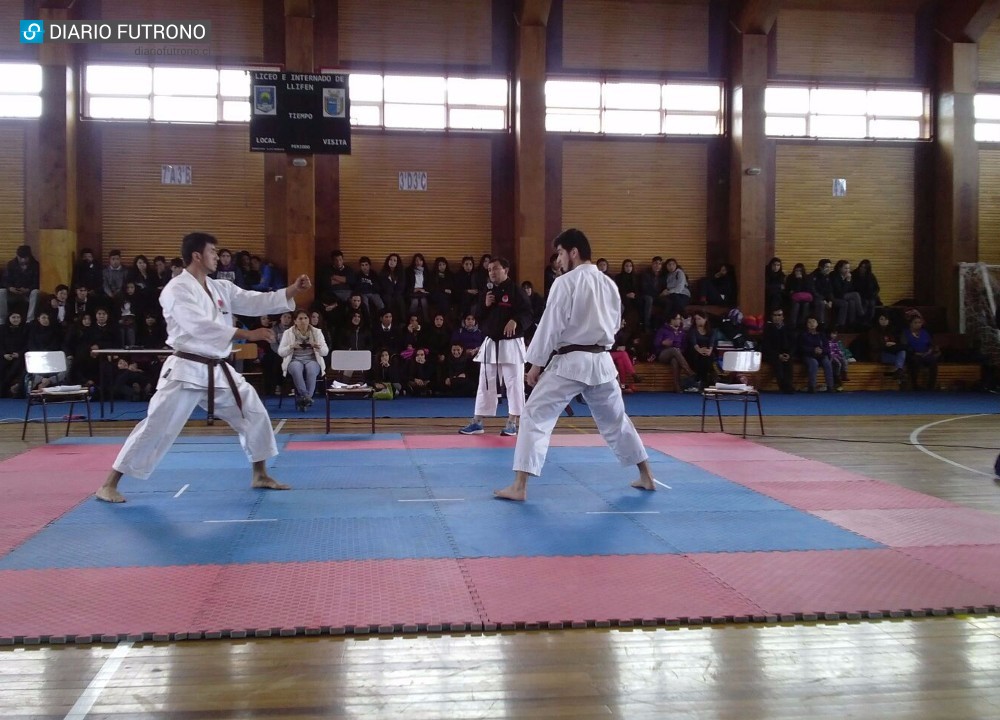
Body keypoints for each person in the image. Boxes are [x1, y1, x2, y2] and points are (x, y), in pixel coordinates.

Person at [95, 232, 312, 503]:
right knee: (157, 426)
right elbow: (199, 326)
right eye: (212, 252)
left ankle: (260, 473)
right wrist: (248, 335)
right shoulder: (176, 289)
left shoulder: (220, 287)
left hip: (218, 370)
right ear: (197, 255)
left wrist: (292, 290)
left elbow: (254, 300)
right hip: (186, 368)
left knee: (253, 411)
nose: (217, 257)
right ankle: (109, 484)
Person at [494, 229, 656, 502]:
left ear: (573, 252)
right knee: (616, 420)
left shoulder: (566, 283)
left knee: (534, 415)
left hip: (571, 363)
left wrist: (535, 365)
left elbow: (550, 327)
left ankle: (520, 487)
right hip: (602, 362)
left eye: (559, 253)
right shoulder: (609, 284)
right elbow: (615, 324)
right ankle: (646, 476)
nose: (557, 260)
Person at [459, 258, 532, 436]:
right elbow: (477, 315)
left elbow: (528, 314)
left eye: (495, 269)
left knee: (514, 383)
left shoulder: (517, 291)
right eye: (489, 269)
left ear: (506, 270)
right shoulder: (487, 291)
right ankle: (477, 421)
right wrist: (485, 305)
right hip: (491, 342)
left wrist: (516, 321)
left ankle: (512, 422)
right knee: (485, 382)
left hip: (511, 343)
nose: (492, 272)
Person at [278, 309, 330, 411]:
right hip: (294, 360)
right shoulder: (288, 333)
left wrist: (317, 347)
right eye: (300, 318)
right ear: (295, 321)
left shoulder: (317, 332)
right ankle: (307, 397)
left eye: (305, 318)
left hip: (312, 359)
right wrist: (291, 346)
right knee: (296, 368)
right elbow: (281, 352)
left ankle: (305, 399)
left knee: (311, 369)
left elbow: (325, 352)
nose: (303, 321)